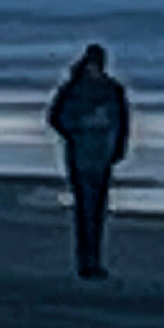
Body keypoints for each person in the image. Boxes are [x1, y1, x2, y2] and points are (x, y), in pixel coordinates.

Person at [45, 43, 130, 280]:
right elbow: (55, 117)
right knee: (85, 210)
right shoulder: (73, 89)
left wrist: (119, 149)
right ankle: (85, 260)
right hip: (81, 155)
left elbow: (123, 123)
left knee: (98, 211)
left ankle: (95, 258)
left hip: (103, 156)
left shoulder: (113, 90)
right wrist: (75, 134)